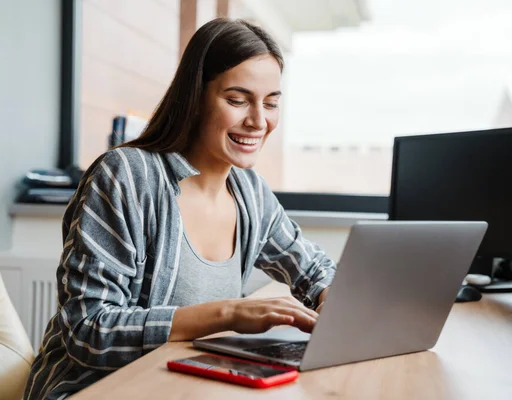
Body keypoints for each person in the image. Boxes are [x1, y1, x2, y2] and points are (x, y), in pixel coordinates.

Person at [24, 18, 336, 399]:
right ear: (195, 97)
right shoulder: (127, 176)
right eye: (237, 100)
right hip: (95, 390)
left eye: (271, 103)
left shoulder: (250, 192)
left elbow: (313, 270)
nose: (259, 120)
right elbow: (88, 329)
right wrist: (228, 315)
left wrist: (329, 296)